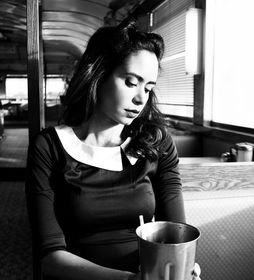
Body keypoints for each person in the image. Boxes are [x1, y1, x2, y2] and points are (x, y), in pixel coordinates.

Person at [26, 20, 200, 280]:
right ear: (98, 75)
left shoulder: (157, 143)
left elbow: (176, 236)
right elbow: (49, 258)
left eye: (148, 87)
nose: (141, 99)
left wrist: (182, 267)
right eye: (131, 82)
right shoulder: (49, 146)